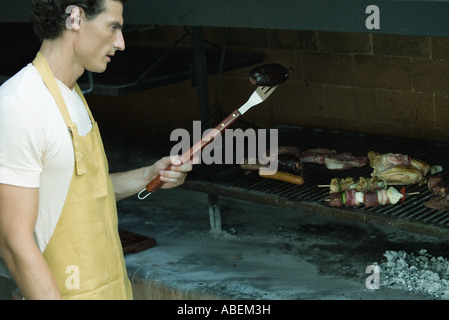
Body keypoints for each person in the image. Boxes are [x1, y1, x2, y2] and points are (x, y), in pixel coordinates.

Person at [0, 0, 193, 300]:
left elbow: (85, 191)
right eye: (113, 27)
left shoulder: (74, 95)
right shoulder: (20, 105)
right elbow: (13, 242)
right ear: (75, 18)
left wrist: (149, 174)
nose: (121, 43)